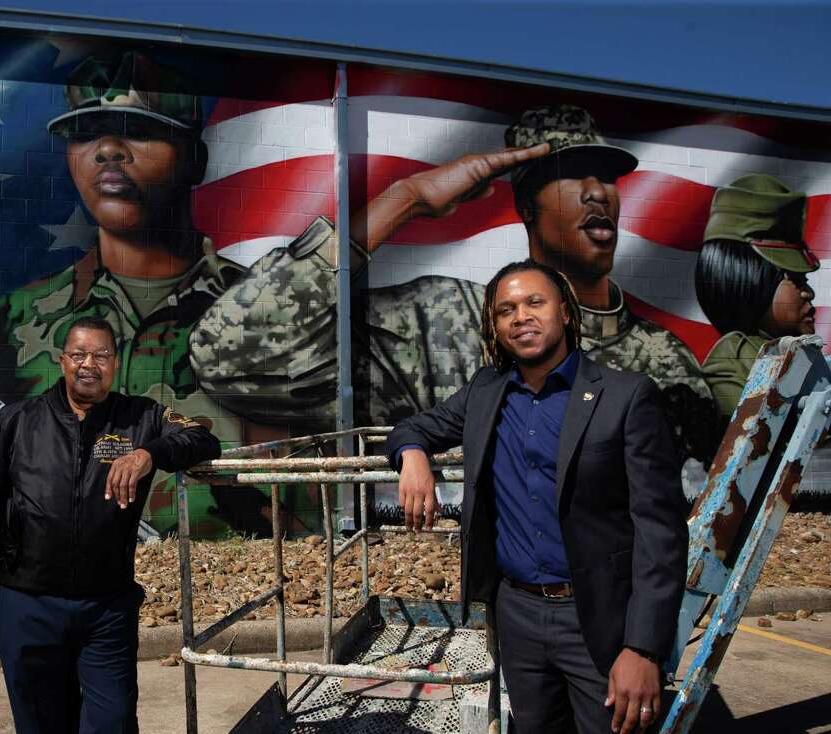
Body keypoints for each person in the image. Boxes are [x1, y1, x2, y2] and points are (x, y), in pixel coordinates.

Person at [191, 104, 718, 464]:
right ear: (525, 205)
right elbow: (232, 356)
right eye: (570, 176)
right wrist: (405, 200)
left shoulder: (663, 358)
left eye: (605, 176)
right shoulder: (440, 322)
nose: (596, 193)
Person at [0, 51, 279, 540]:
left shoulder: (271, 313)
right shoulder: (9, 324)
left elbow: (320, 480)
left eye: (138, 128)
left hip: (228, 595)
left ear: (194, 160)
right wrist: (41, 519)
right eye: (87, 133)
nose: (109, 149)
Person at [385, 260, 688, 734]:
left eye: (535, 304)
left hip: (599, 621)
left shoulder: (626, 396)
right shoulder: (486, 391)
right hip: (518, 616)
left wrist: (643, 648)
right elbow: (415, 427)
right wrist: (412, 457)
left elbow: (661, 532)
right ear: (495, 326)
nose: (520, 318)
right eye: (506, 310)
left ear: (566, 314)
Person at [0, 316, 220, 734]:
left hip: (105, 609)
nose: (89, 365)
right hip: (27, 603)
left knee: (113, 727)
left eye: (101, 356)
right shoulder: (17, 421)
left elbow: (204, 441)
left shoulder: (141, 417)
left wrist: (150, 453)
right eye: (79, 354)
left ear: (114, 364)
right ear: (62, 360)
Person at [696, 174, 820, 419]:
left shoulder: (797, 355)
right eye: (794, 280)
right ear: (750, 282)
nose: (809, 293)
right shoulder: (735, 361)